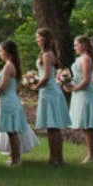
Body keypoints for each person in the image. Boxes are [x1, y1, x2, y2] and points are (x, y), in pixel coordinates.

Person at [31, 28, 69, 165]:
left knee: (54, 126)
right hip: (46, 91)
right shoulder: (43, 53)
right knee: (50, 127)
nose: (37, 39)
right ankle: (53, 157)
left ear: (45, 39)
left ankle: (58, 158)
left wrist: (36, 86)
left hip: (50, 91)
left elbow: (47, 76)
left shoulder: (47, 54)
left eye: (39, 37)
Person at [66, 35, 93, 164]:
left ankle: (92, 154)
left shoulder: (86, 59)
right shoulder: (80, 58)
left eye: (77, 45)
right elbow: (78, 77)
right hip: (79, 93)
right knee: (85, 126)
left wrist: (74, 88)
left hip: (85, 94)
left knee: (88, 126)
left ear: (84, 45)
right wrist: (68, 84)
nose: (75, 47)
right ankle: (91, 154)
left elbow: (87, 80)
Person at [0, 41, 28, 167]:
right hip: (8, 99)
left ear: (7, 52)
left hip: (9, 100)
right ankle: (13, 156)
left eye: (1, 51)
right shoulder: (11, 65)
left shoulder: (8, 66)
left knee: (12, 132)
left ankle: (16, 159)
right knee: (10, 131)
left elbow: (3, 85)